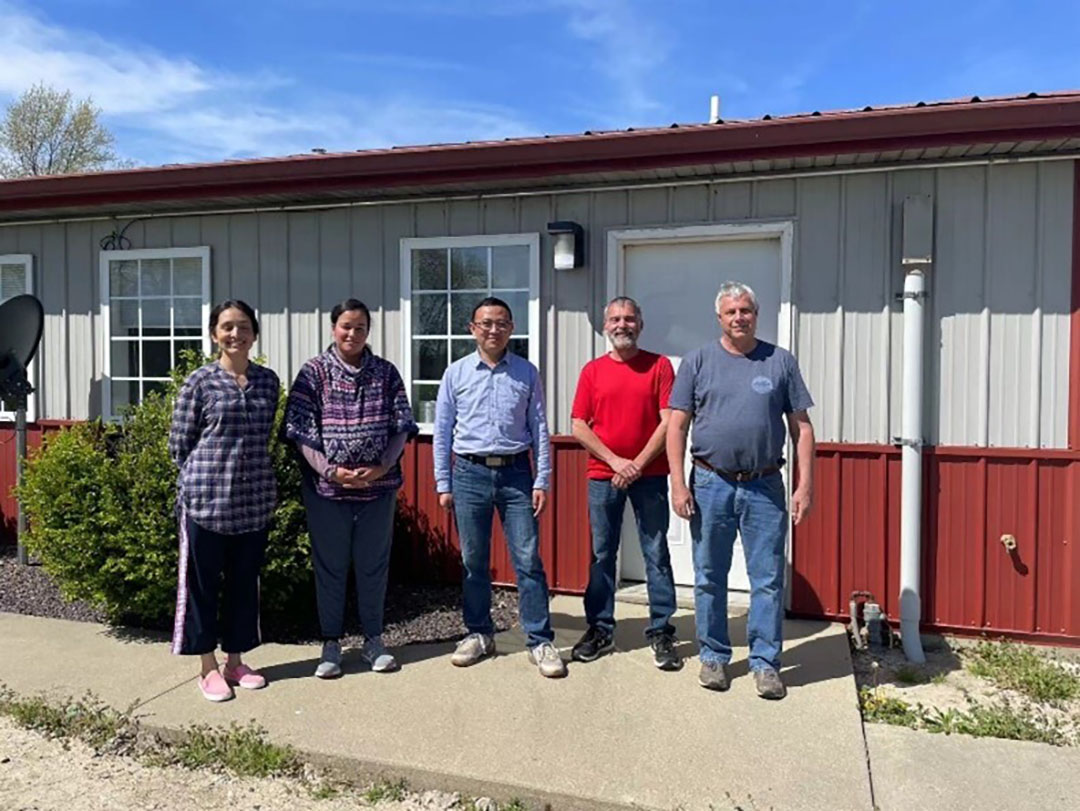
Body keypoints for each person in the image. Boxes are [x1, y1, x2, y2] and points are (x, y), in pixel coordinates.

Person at [666, 281, 815, 700]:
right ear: (719, 318)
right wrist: (678, 483)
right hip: (711, 482)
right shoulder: (697, 362)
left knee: (766, 579)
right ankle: (713, 656)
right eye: (731, 312)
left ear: (756, 314)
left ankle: (766, 663)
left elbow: (801, 428)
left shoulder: (779, 362)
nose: (739, 318)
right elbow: (677, 426)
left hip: (765, 485)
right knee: (709, 575)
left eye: (745, 310)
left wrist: (805, 485)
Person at [285, 299, 417, 679]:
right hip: (327, 491)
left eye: (360, 327)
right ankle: (331, 643)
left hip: (378, 490)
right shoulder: (313, 373)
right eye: (346, 326)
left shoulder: (386, 373)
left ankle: (373, 640)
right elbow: (300, 431)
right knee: (330, 567)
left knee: (374, 566)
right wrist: (330, 471)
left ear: (368, 331)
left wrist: (381, 467)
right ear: (333, 328)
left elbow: (400, 426)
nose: (352, 334)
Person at [433, 297, 565, 678]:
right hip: (469, 474)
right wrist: (444, 482)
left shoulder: (526, 372)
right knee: (473, 561)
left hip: (516, 475)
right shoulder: (455, 373)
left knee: (527, 559)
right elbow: (442, 433)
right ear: (472, 328)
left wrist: (542, 477)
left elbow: (539, 427)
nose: (494, 329)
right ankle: (479, 634)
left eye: (502, 322)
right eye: (486, 323)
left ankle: (539, 640)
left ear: (511, 328)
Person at [169, 299, 279, 703]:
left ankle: (236, 661)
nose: (236, 334)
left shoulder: (268, 382)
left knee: (244, 586)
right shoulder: (199, 382)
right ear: (215, 333)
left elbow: (264, 436)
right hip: (205, 504)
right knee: (201, 587)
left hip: (254, 502)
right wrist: (202, 480)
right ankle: (207, 666)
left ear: (254, 333)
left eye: (244, 326)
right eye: (228, 327)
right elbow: (179, 444)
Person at [569, 296, 680, 670]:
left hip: (649, 477)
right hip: (603, 475)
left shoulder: (660, 366)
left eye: (629, 319)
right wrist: (617, 461)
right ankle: (600, 628)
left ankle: (662, 631)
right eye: (615, 319)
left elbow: (670, 421)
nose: (622, 325)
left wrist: (637, 464)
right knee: (603, 553)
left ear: (640, 324)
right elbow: (579, 425)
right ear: (605, 326)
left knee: (656, 552)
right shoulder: (592, 371)